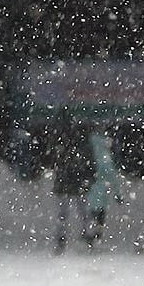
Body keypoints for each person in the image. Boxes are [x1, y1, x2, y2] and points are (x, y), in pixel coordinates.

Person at [49, 109, 95, 254]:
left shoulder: (60, 141)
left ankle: (62, 239)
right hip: (76, 180)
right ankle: (87, 237)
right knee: (82, 210)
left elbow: (56, 160)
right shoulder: (80, 141)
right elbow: (87, 160)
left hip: (66, 180)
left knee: (64, 213)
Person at [84, 131, 124, 249]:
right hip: (101, 192)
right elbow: (112, 176)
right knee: (100, 216)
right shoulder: (105, 157)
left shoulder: (90, 154)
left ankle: (90, 237)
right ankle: (96, 237)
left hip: (90, 191)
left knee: (91, 214)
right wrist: (118, 193)